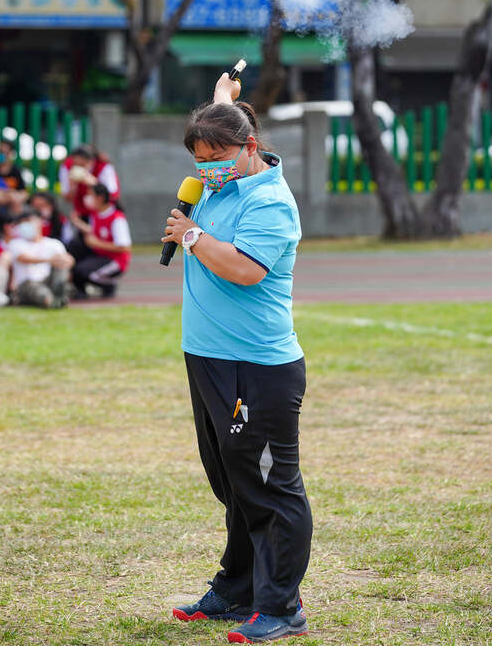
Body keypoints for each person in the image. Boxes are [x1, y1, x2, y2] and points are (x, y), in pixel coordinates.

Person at [163, 73, 312, 643]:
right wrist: (222, 102)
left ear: (250, 149)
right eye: (199, 161)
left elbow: (247, 271)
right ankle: (237, 589)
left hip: (259, 367)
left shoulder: (269, 202)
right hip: (206, 357)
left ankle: (282, 607)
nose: (208, 171)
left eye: (218, 157)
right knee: (232, 480)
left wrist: (193, 237)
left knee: (271, 486)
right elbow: (225, 125)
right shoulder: (222, 181)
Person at [68, 183, 131, 297]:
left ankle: (109, 285)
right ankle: (80, 290)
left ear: (100, 198)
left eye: (90, 195)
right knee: (74, 247)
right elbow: (94, 231)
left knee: (82, 272)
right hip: (99, 255)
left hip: (114, 261)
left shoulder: (117, 218)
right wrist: (78, 223)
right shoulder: (95, 214)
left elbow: (124, 247)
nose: (87, 199)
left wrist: (97, 243)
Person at [7, 209, 74, 308]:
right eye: (22, 222)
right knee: (37, 290)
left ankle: (59, 295)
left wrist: (66, 261)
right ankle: (53, 301)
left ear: (40, 222)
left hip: (49, 280)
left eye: (29, 221)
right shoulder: (16, 243)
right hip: (26, 284)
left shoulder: (53, 243)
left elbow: (68, 260)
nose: (25, 225)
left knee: (61, 268)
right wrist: (50, 260)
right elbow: (24, 258)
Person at [59, 144, 120, 217]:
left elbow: (113, 195)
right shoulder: (66, 166)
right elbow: (67, 198)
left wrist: (94, 183)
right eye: (76, 164)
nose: (79, 167)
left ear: (91, 161)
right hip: (81, 214)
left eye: (82, 164)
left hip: (103, 214)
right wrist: (73, 187)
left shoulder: (103, 167)